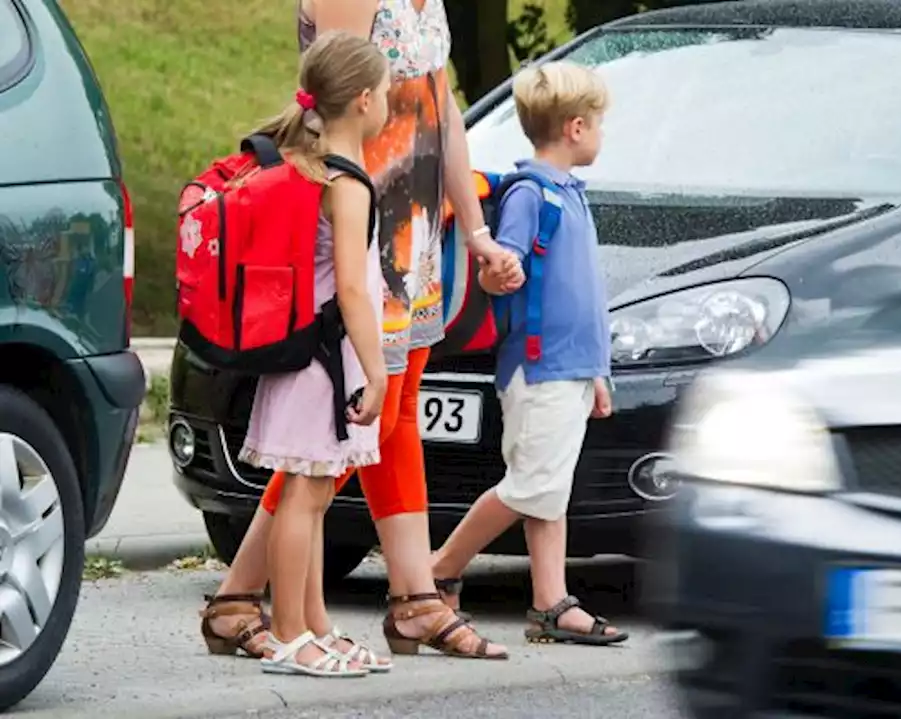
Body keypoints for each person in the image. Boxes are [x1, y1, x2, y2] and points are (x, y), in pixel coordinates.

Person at [198, 0, 516, 662]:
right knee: (335, 431)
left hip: (416, 235)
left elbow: (442, 106)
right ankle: (247, 598)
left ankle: (414, 597)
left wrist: (476, 226)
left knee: (393, 413)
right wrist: (349, 228)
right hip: (360, 232)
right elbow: (336, 103)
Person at [431, 61, 628, 646]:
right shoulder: (530, 194)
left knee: (549, 491)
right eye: (597, 124)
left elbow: (582, 299)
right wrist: (503, 273)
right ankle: (439, 568)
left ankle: (550, 604)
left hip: (568, 370)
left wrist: (595, 374)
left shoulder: (570, 195)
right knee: (527, 487)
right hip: (538, 367)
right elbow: (497, 271)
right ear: (574, 127)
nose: (599, 133)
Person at [233, 30, 389, 678]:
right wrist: (376, 370)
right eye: (384, 93)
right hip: (324, 362)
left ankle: (315, 623)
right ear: (362, 100)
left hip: (312, 359)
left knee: (315, 491)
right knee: (304, 494)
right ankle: (292, 633)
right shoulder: (345, 182)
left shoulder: (314, 164)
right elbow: (351, 286)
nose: (388, 103)